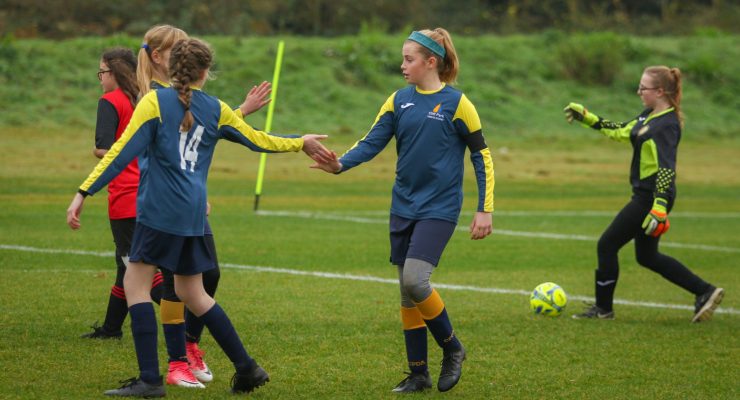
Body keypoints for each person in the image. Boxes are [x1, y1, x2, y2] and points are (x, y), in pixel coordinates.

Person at [67, 37, 332, 397]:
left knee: (136, 285)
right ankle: (247, 367)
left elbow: (118, 152)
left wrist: (83, 192)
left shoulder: (154, 102)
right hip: (193, 214)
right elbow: (259, 140)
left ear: (173, 66)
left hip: (159, 211)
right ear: (207, 71)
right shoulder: (217, 108)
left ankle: (149, 380)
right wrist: (300, 141)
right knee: (192, 291)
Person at [312, 28, 494, 393]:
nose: (402, 65)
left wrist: (484, 209)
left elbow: (482, 155)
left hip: (439, 209)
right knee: (406, 294)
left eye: (409, 59)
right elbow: (371, 141)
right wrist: (340, 164)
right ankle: (418, 374)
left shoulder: (459, 103)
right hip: (403, 206)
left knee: (415, 280)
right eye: (402, 58)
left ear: (431, 62)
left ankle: (453, 347)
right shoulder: (398, 101)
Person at [135, 24, 271, 387]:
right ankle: (178, 361)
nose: (184, 54)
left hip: (186, 202)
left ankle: (196, 354)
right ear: (160, 56)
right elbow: (155, 151)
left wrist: (240, 111)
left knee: (202, 279)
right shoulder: (155, 96)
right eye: (178, 48)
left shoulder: (188, 97)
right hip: (163, 204)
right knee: (169, 284)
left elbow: (203, 131)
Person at [563, 66, 724, 322]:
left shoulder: (667, 125)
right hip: (646, 196)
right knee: (647, 257)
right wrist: (588, 118)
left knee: (606, 245)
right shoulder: (648, 117)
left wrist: (659, 207)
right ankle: (704, 291)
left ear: (660, 91)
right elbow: (621, 130)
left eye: (643, 88)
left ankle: (603, 309)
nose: (639, 92)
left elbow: (666, 168)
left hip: (650, 198)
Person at [79, 48, 166, 341]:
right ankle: (111, 328)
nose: (100, 79)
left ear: (114, 72)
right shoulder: (147, 98)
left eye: (101, 72)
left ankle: (189, 322)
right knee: (125, 265)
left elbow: (106, 150)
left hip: (126, 196)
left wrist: (101, 151)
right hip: (155, 192)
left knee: (141, 273)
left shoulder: (110, 101)